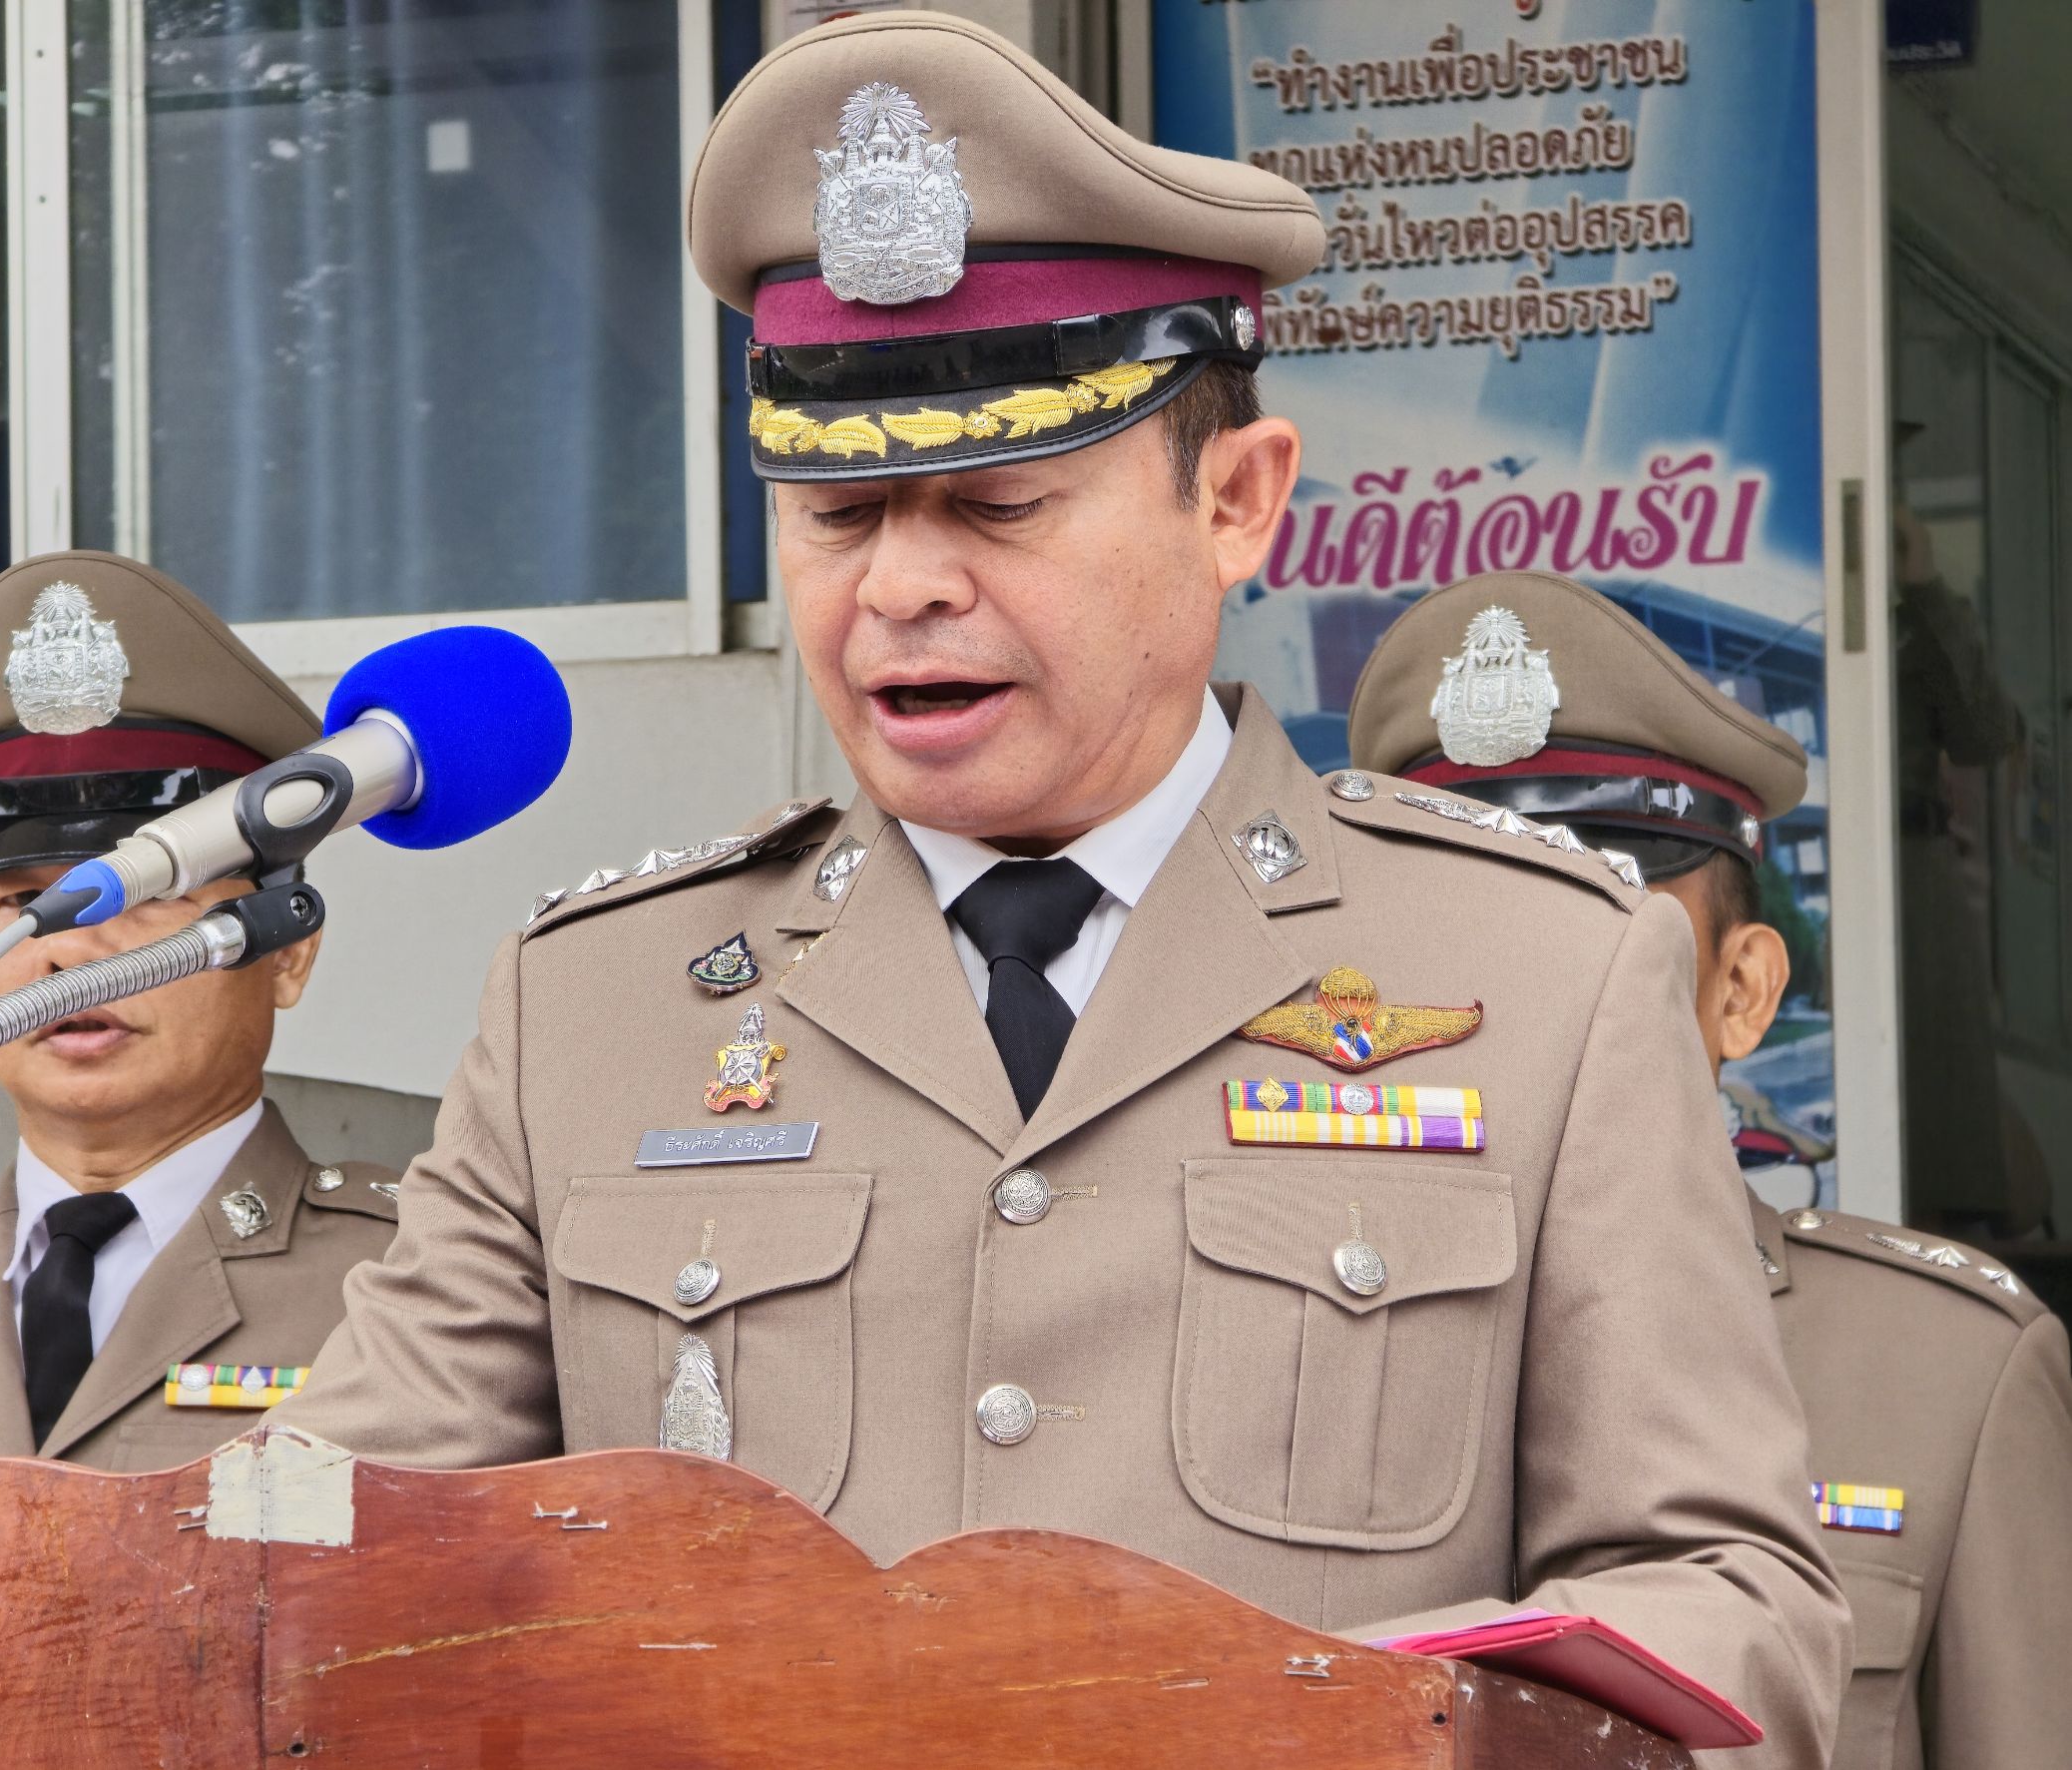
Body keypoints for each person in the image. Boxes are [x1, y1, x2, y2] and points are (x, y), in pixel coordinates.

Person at [276, 13, 1846, 1757]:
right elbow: (315, 1543)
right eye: (837, 514)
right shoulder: (595, 1004)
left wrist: (1316, 1724)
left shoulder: (1549, 974)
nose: (901, 589)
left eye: (998, 502)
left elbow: (1727, 1597)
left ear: (1236, 502)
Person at [1347, 567, 2072, 1768]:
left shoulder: (1947, 1379)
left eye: (1604, 949)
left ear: (1743, 992)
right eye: (1466, 938)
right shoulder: (1250, 1345)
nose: (1534, 1001)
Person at [0, 551, 400, 1549]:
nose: (69, 949)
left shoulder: (413, 1281)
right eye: (21, 902)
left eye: (145, 893)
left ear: (286, 952)